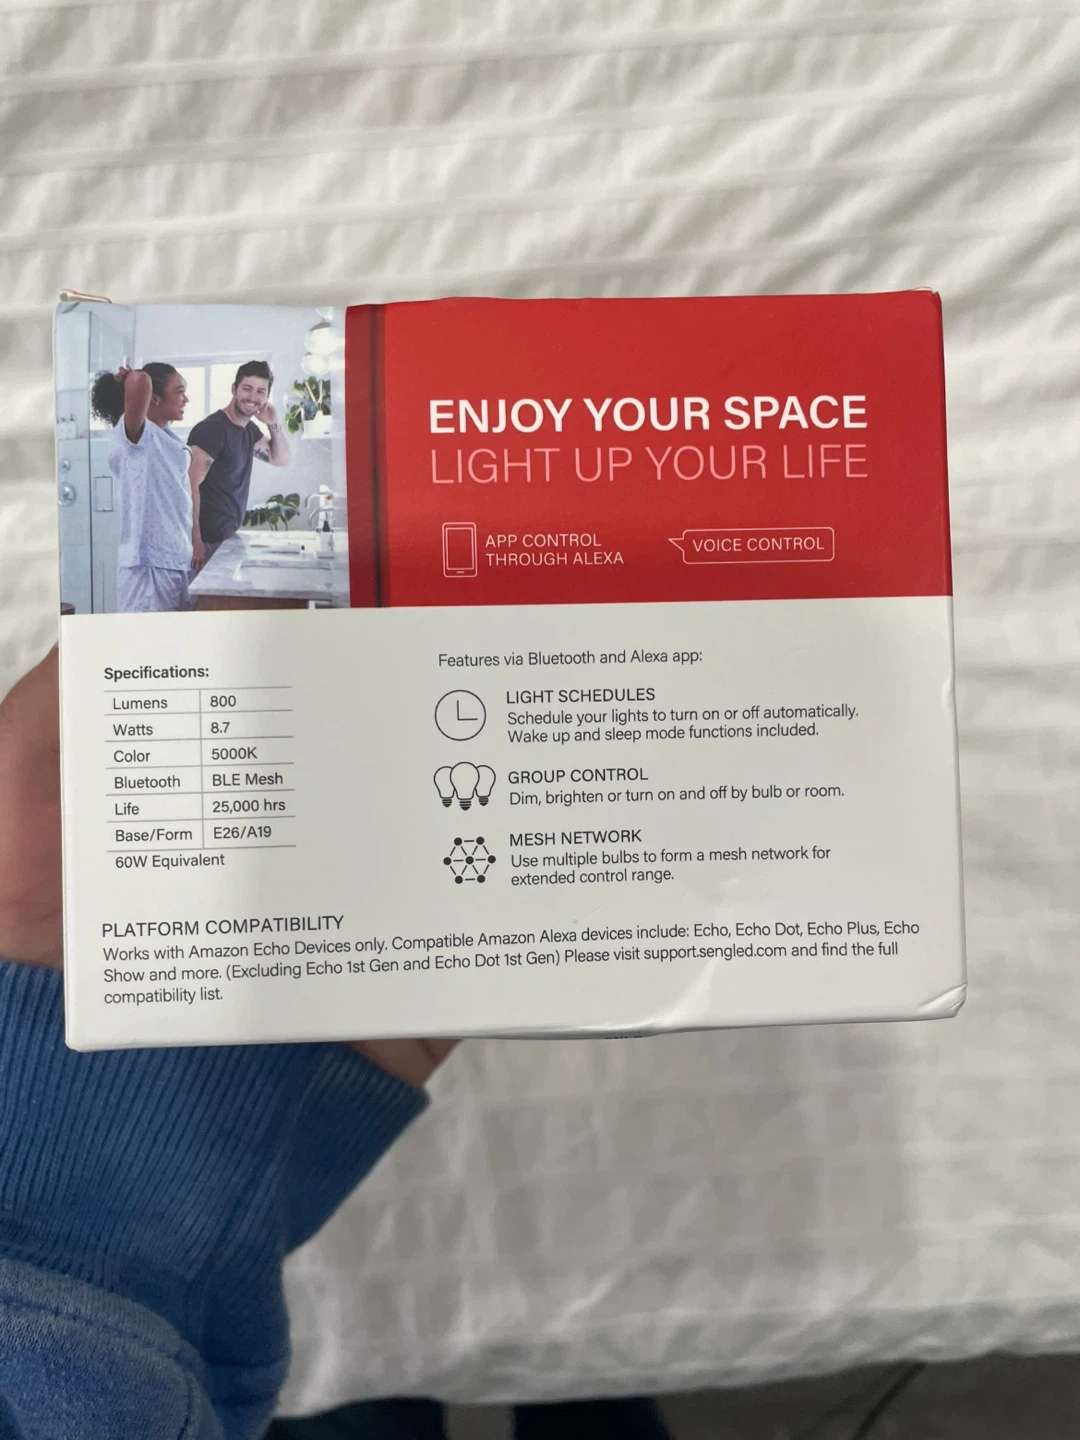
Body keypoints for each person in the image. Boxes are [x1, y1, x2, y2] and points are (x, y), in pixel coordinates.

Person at [90, 363, 194, 613]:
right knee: (146, 638)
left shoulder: (165, 434)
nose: (186, 399)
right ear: (154, 398)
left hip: (175, 559)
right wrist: (131, 376)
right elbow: (141, 382)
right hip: (147, 568)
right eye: (180, 391)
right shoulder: (136, 434)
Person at [189, 360, 291, 574]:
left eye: (261, 391)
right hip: (205, 542)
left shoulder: (248, 430)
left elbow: (280, 459)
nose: (253, 397)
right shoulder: (213, 429)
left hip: (226, 537)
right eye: (247, 388)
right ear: (234, 389)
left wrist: (273, 423)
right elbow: (189, 486)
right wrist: (195, 541)